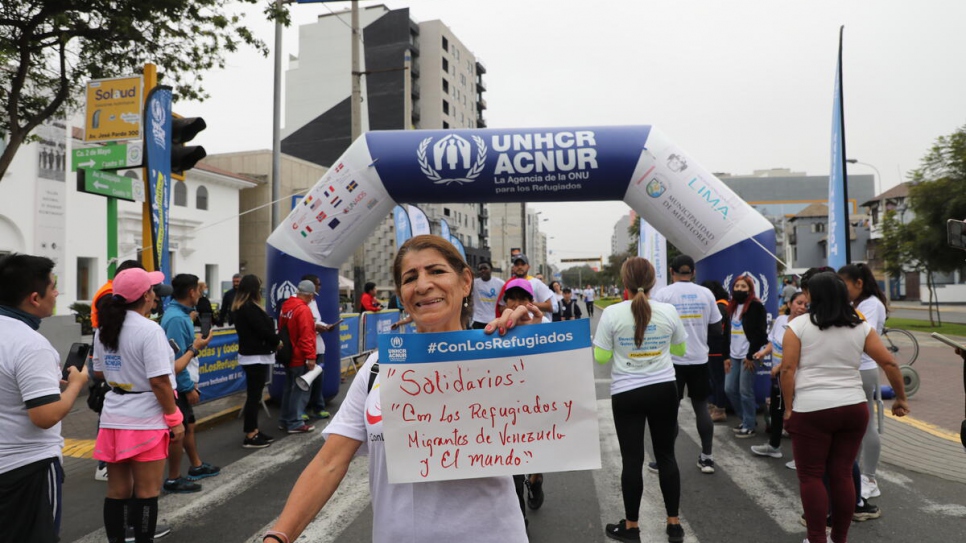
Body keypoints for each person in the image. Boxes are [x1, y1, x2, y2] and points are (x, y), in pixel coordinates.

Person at [264, 235, 527, 543]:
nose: (423, 284)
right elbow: (329, 462)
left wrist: (531, 347)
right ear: (402, 295)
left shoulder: (501, 356)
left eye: (437, 271)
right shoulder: (377, 366)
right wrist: (278, 537)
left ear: (465, 281)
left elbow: (554, 430)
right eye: (410, 278)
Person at [780, 272, 909, 543]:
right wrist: (901, 398)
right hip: (852, 408)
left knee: (811, 476)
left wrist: (789, 408)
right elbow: (890, 364)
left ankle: (817, 538)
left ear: (814, 297)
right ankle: (840, 538)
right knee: (842, 473)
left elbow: (789, 369)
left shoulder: (798, 326)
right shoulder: (860, 327)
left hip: (811, 409)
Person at [92, 268, 193, 543]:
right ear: (146, 296)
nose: (155, 296)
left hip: (113, 417)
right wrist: (175, 418)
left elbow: (99, 371)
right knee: (147, 492)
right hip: (146, 419)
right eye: (152, 290)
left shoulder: (104, 328)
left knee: (117, 492)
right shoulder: (150, 330)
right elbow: (160, 382)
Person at [593, 257, 686, 543]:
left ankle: (631, 527)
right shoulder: (668, 311)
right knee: (666, 455)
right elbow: (680, 350)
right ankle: (674, 525)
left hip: (627, 392)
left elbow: (601, 357)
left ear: (624, 283)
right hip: (663, 390)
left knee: (631, 461)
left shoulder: (612, 314)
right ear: (654, 280)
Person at [0, 254, 88, 542]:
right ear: (35, 297)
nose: (57, 293)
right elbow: (45, 416)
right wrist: (76, 384)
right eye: (53, 286)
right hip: (28, 469)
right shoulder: (30, 344)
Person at [652, 254, 722, 474]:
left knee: (669, 411)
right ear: (693, 272)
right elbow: (717, 329)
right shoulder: (706, 293)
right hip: (700, 359)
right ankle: (707, 458)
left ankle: (665, 460)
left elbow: (654, 327)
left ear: (672, 272)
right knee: (701, 407)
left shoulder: (663, 294)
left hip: (672, 361)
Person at [160, 274, 218, 493]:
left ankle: (196, 465)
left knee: (188, 426)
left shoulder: (180, 315)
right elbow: (176, 358)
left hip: (181, 381)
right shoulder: (175, 318)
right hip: (177, 384)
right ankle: (174, 478)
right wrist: (187, 387)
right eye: (199, 290)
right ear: (192, 292)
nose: (201, 294)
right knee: (178, 431)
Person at [837, 263, 888, 500]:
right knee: (853, 427)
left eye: (844, 284)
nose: (841, 289)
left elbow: (858, 328)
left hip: (865, 370)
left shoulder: (871, 305)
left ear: (859, 283)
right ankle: (853, 472)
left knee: (866, 426)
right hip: (853, 368)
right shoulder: (856, 303)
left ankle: (869, 478)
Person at [750, 291, 807, 458]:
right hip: (777, 378)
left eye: (805, 304)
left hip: (793, 377)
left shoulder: (805, 326)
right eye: (799, 303)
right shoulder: (781, 320)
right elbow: (772, 342)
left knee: (796, 416)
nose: (802, 307)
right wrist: (763, 353)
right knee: (776, 411)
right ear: (789, 304)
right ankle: (774, 446)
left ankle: (802, 457)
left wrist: (781, 366)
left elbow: (799, 353)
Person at [232, 274, 281, 449]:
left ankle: (254, 429)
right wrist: (277, 340)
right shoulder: (248, 308)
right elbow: (261, 330)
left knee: (255, 395)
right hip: (255, 357)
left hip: (254, 355)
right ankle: (251, 434)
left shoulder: (245, 307)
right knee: (254, 396)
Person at [723, 275, 769, 438]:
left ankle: (749, 425)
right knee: (729, 389)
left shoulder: (756, 306)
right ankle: (746, 419)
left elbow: (760, 333)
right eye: (737, 287)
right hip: (733, 355)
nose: (739, 289)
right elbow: (727, 333)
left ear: (750, 289)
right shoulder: (732, 307)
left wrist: (751, 356)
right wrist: (726, 356)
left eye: (743, 287)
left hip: (748, 356)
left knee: (745, 390)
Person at [277, 280, 319, 434]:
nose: (312, 299)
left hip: (287, 353)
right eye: (312, 296)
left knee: (289, 388)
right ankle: (295, 422)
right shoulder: (303, 310)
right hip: (298, 355)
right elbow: (306, 335)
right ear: (309, 295)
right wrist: (311, 357)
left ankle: (285, 419)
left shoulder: (286, 306)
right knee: (300, 390)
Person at [301, 274, 335, 421]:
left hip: (318, 346)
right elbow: (304, 326)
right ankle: (301, 409)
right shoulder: (300, 304)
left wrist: (325, 326)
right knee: (305, 380)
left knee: (318, 379)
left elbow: (316, 321)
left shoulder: (313, 301)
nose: (320, 286)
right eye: (318, 284)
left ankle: (317, 407)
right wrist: (318, 327)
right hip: (307, 347)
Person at [701, 280, 730, 423]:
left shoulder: (720, 306)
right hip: (717, 348)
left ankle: (719, 409)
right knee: (716, 380)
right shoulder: (724, 305)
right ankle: (716, 406)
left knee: (718, 380)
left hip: (716, 349)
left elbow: (716, 329)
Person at [496, 254, 554, 319]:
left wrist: (527, 304)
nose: (520, 267)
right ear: (513, 267)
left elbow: (549, 307)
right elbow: (500, 307)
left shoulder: (537, 283)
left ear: (528, 267)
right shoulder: (508, 284)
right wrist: (513, 308)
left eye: (522, 264)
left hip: (534, 324)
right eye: (517, 264)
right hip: (514, 324)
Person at [471, 259, 504, 329]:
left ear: (491, 269)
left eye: (485, 268)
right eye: (480, 269)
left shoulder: (500, 283)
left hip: (493, 320)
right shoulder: (473, 283)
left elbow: (503, 301)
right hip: (478, 320)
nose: (483, 270)